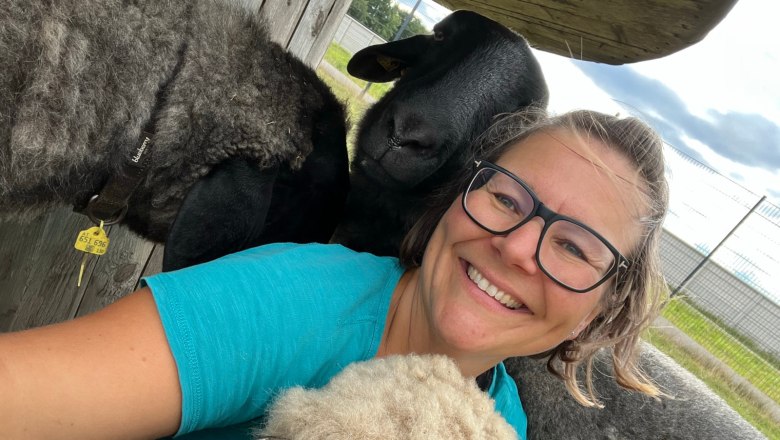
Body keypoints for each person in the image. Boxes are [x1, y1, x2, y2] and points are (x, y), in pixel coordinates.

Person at [0, 109, 669, 440]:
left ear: (600, 314)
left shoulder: (501, 423)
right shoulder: (295, 302)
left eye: (576, 247)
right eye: (505, 197)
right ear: (455, 201)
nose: (519, 245)